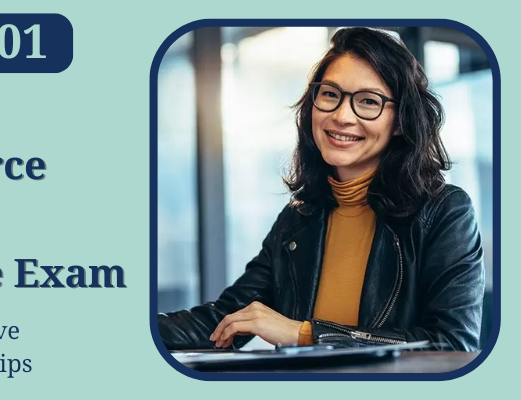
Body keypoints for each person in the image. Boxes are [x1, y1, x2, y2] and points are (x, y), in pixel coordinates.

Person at [157, 27, 484, 351]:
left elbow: (452, 344)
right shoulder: (300, 217)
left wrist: (304, 333)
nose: (342, 116)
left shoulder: (445, 212)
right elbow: (224, 319)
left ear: (400, 121)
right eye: (330, 94)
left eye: (368, 101)